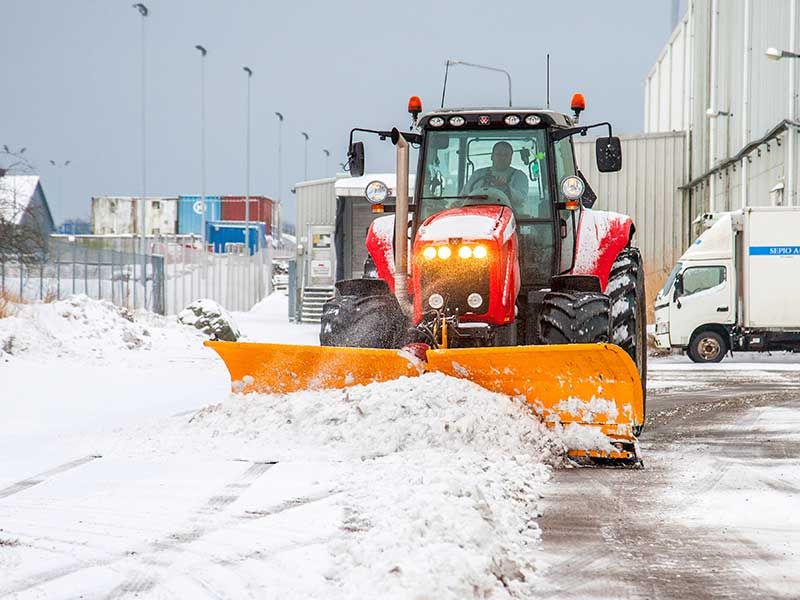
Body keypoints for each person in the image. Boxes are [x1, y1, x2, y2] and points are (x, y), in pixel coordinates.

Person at [461, 141, 529, 206]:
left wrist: (505, 187)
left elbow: (521, 199)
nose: (502, 158)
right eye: (498, 154)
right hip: (478, 215)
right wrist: (458, 203)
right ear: (492, 156)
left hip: (513, 216)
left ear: (511, 158)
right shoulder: (478, 174)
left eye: (506, 155)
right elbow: (464, 196)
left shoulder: (519, 176)